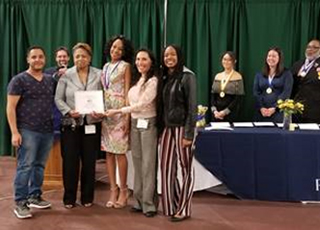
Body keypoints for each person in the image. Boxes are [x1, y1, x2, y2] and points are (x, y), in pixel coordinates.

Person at [105, 48, 159, 217]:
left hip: (148, 123)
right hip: (135, 123)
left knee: (148, 164)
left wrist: (118, 111)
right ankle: (138, 201)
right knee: (137, 163)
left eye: (144, 59)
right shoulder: (137, 79)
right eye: (138, 59)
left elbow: (143, 104)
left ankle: (149, 204)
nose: (140, 63)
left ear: (151, 62)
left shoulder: (153, 81)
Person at [7, 46, 56, 219]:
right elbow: (10, 107)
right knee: (25, 166)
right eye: (34, 57)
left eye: (40, 57)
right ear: (28, 59)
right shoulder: (19, 80)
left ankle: (35, 195)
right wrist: (14, 132)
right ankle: (21, 202)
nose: (37, 60)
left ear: (44, 59)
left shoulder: (50, 80)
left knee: (39, 166)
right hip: (27, 129)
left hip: (47, 130)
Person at [55, 43, 102, 209]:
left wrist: (100, 111)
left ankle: (87, 197)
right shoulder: (66, 75)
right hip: (71, 125)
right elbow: (58, 99)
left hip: (91, 124)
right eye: (77, 56)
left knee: (89, 162)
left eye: (83, 56)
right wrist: (68, 111)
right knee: (70, 162)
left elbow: (104, 97)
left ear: (89, 58)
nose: (80, 59)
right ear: (73, 58)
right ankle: (69, 199)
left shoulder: (99, 74)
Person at [159, 45, 197, 222]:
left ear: (179, 56)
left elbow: (192, 107)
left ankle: (183, 208)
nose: (169, 58)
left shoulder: (187, 76)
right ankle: (171, 205)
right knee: (166, 168)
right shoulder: (165, 76)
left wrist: (188, 134)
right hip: (167, 128)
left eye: (172, 54)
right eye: (166, 55)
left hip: (183, 127)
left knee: (186, 168)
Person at [101, 35, 134, 209]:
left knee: (120, 152)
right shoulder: (105, 66)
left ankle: (123, 190)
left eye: (120, 49)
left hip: (120, 113)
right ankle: (112, 189)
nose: (116, 51)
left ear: (124, 51)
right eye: (114, 47)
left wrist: (127, 117)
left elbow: (127, 90)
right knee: (108, 152)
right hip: (106, 114)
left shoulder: (126, 66)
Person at [253, 47, 293, 122]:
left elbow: (286, 93)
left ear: (279, 58)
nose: (271, 58)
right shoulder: (259, 74)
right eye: (269, 56)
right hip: (261, 113)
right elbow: (256, 92)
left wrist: (274, 108)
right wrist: (261, 107)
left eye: (274, 56)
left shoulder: (287, 74)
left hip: (278, 113)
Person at [291, 39, 320, 123]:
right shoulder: (298, 64)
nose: (310, 49)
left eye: (315, 47)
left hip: (315, 110)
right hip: (297, 110)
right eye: (309, 47)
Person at [44, 46, 70, 138]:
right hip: (53, 112)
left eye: (64, 56)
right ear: (56, 58)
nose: (62, 59)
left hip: (70, 110)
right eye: (59, 57)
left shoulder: (75, 71)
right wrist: (56, 76)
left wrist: (69, 74)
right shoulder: (48, 72)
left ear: (68, 58)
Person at [211, 51, 244, 122]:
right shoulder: (217, 76)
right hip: (216, 115)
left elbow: (238, 98)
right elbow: (213, 96)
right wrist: (215, 111)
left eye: (229, 60)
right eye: (224, 59)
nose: (226, 62)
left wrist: (224, 112)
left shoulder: (238, 77)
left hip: (231, 114)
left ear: (234, 61)